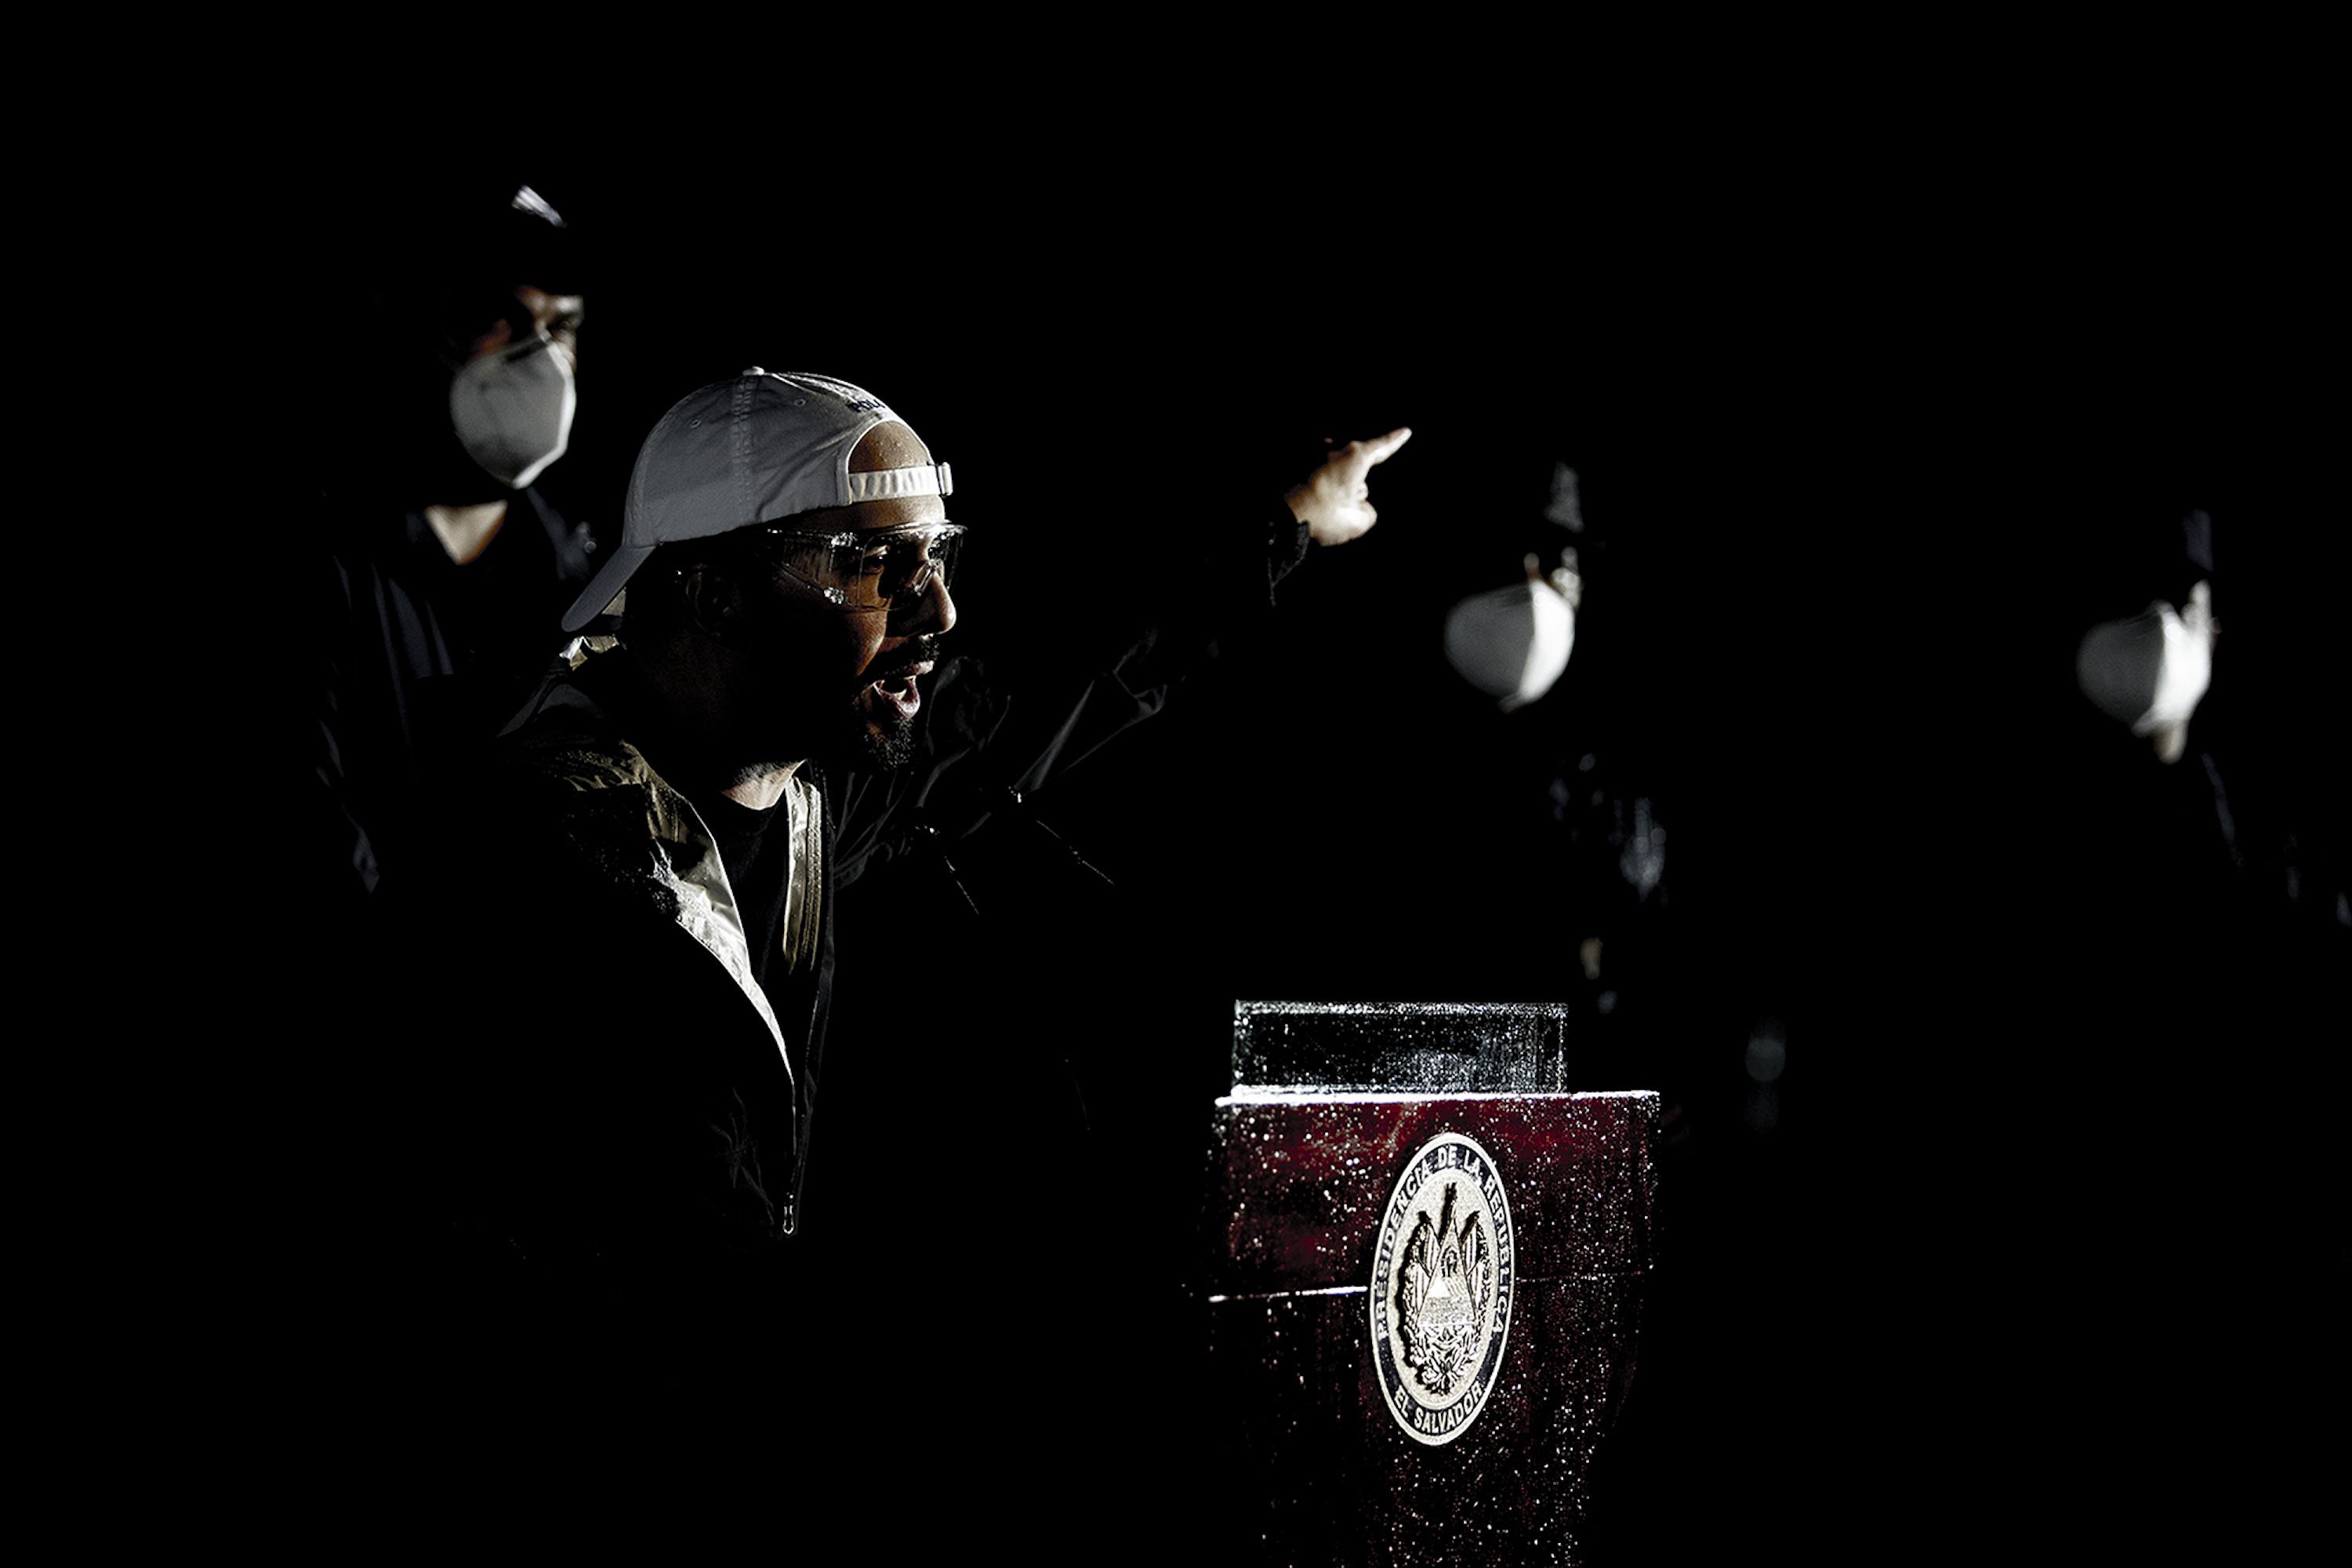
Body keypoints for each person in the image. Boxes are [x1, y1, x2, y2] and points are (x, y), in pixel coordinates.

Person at [360, 368, 1408, 1450]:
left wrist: (1283, 523)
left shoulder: (794, 779)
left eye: (936, 557)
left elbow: (1041, 695)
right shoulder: (559, 886)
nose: (938, 609)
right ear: (713, 592)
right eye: (872, 565)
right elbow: (700, 1298)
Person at [293, 180, 595, 914]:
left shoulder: (583, 573)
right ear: (404, 322)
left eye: (563, 327)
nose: (541, 360)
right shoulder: (318, 565)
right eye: (502, 318)